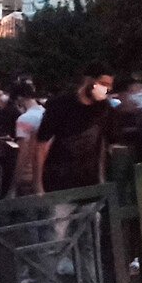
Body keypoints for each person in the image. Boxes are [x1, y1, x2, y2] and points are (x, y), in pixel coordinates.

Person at [33, 66, 115, 194]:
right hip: (59, 183)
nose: (107, 89)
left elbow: (102, 144)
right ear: (89, 80)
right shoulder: (61, 104)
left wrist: (101, 180)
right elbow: (41, 144)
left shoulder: (104, 109)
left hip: (90, 184)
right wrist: (38, 186)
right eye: (103, 84)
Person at [11, 85, 46, 196]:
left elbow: (23, 152)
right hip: (45, 169)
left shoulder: (25, 119)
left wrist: (14, 184)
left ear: (19, 98)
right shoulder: (45, 113)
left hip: (29, 174)